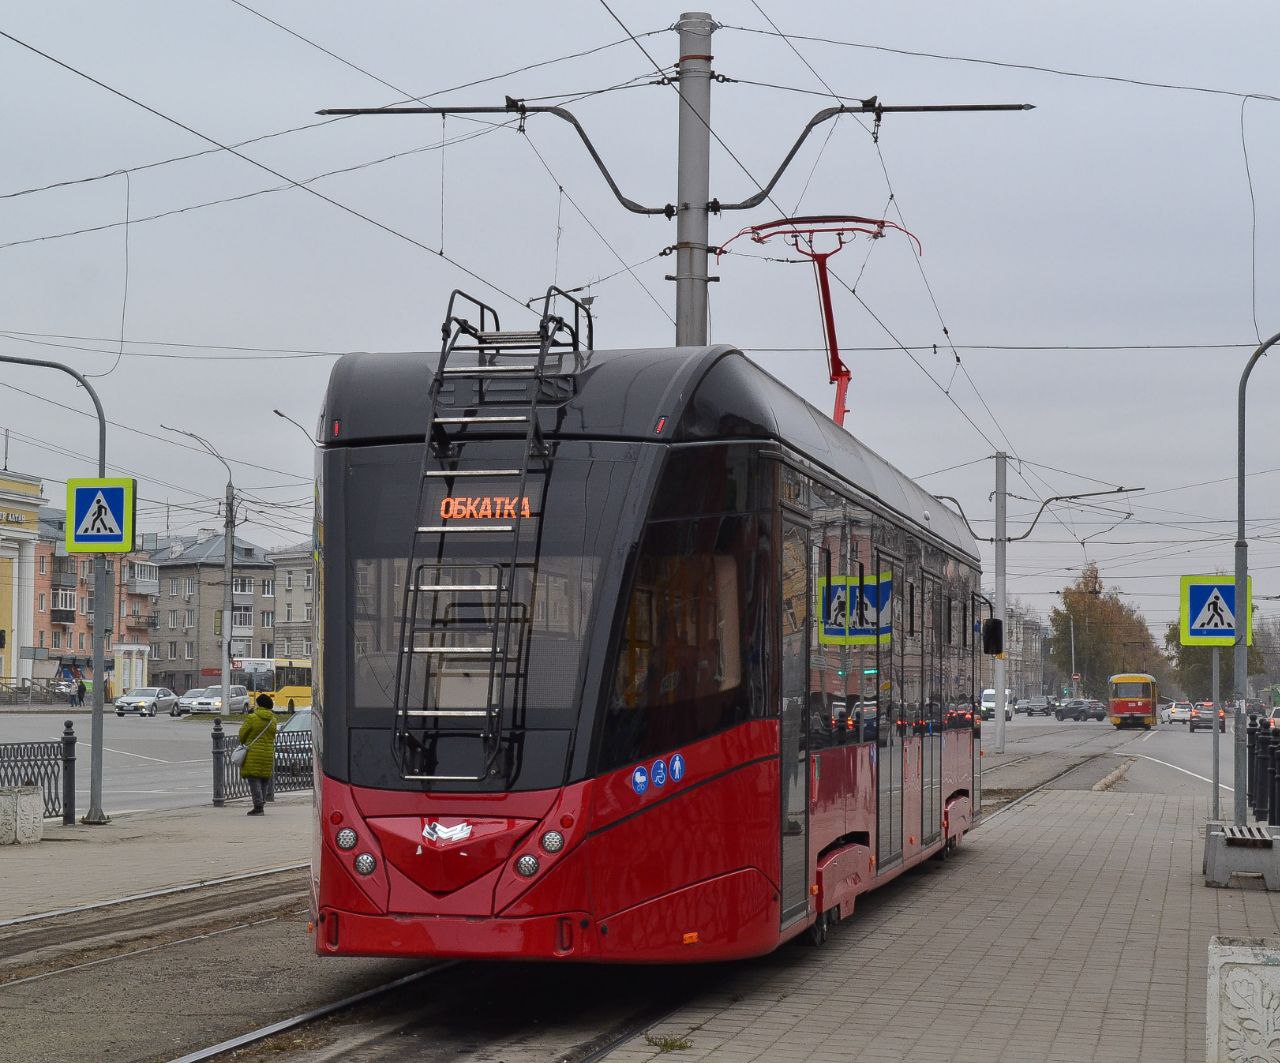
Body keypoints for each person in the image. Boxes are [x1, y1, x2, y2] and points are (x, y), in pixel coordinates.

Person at [237, 693, 277, 816]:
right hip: (268, 753)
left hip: (253, 753)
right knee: (264, 779)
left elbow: (242, 735)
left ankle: (258, 807)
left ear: (259, 704)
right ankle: (261, 804)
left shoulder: (252, 718)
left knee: (254, 779)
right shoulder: (273, 720)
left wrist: (246, 741)